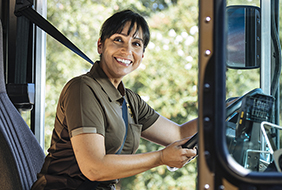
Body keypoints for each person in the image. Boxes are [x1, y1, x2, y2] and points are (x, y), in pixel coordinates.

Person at [31, 9, 197, 190]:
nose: (127, 50)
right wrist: (160, 158)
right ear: (100, 45)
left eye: (136, 44)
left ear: (142, 55)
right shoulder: (82, 89)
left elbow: (180, 135)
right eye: (118, 40)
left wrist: (219, 115)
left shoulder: (130, 101)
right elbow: (94, 168)